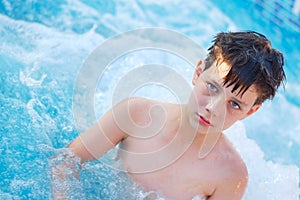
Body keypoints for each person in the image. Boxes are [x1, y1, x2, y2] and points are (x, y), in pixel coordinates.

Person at [51, 31, 285, 200]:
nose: (213, 108)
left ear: (251, 111)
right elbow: (65, 161)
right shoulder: (135, 115)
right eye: (212, 87)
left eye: (234, 104)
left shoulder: (230, 176)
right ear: (197, 73)